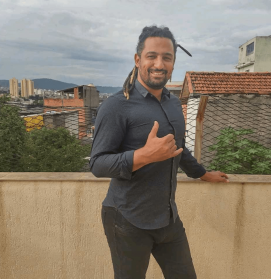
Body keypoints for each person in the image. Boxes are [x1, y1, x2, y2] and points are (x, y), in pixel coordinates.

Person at [90, 25, 229, 279]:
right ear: (137, 59)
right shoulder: (116, 106)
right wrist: (144, 156)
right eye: (151, 56)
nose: (159, 64)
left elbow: (177, 149)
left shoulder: (174, 103)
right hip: (126, 219)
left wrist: (202, 174)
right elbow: (97, 164)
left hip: (167, 218)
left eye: (167, 57)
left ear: (173, 63)